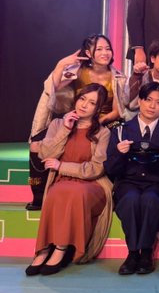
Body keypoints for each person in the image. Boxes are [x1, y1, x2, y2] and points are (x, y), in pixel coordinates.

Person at [27, 34, 126, 209]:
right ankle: (39, 194)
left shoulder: (117, 76)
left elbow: (117, 111)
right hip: (76, 116)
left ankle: (112, 193)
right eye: (99, 49)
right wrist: (61, 65)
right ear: (88, 53)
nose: (105, 53)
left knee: (118, 140)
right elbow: (52, 88)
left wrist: (96, 121)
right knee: (36, 143)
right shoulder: (77, 71)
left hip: (104, 120)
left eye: (108, 49)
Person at [25, 84, 113, 276]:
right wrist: (65, 129)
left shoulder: (103, 132)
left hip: (92, 184)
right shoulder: (58, 124)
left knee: (74, 192)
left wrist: (61, 166)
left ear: (97, 108)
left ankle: (61, 248)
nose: (84, 105)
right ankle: (44, 249)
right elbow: (46, 154)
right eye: (82, 99)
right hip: (61, 180)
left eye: (92, 103)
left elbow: (96, 168)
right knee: (57, 192)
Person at [104, 82, 159, 276]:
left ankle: (146, 252)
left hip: (158, 184)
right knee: (130, 200)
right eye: (148, 100)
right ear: (139, 101)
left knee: (151, 200)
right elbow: (110, 169)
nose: (152, 106)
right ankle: (133, 253)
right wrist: (119, 153)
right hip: (128, 183)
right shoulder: (121, 130)